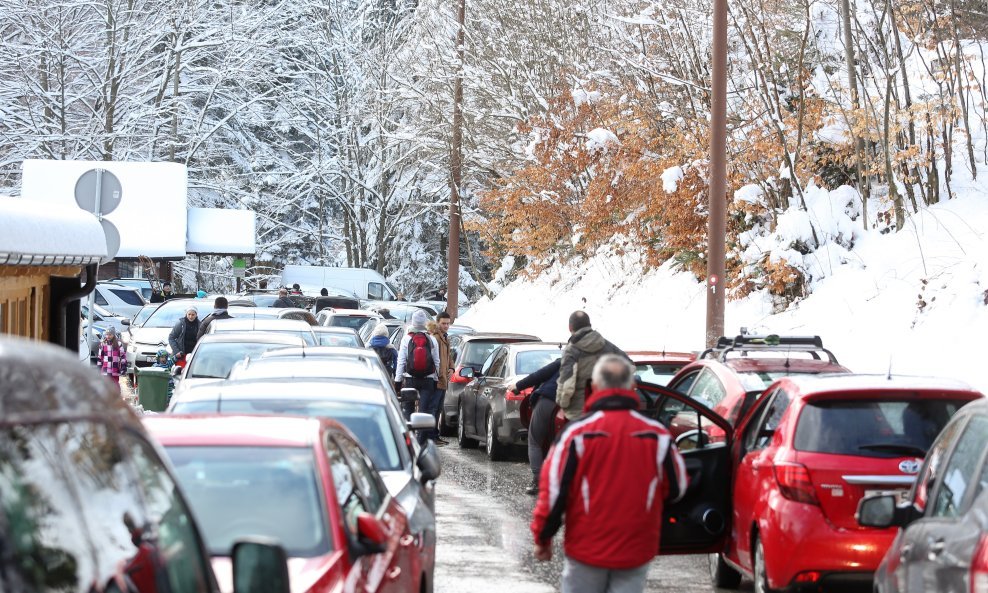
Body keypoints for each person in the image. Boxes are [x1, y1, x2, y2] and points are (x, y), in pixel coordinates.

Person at [531, 355, 688, 593]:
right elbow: (678, 488)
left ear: (594, 387)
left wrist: (543, 537)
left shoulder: (576, 436)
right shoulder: (658, 436)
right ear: (633, 387)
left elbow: (553, 492)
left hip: (586, 548)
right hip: (636, 548)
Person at [557, 311, 627, 420]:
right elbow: (630, 367)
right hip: (606, 410)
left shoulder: (571, 350)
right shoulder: (608, 346)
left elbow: (567, 386)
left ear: (570, 327)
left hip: (579, 414)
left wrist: (562, 405)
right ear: (589, 325)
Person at [512, 357, 561, 495]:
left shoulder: (563, 361)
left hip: (550, 399)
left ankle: (538, 481)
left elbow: (538, 375)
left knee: (535, 440)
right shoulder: (596, 363)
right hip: (578, 406)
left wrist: (518, 386)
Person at [395, 309, 441, 444]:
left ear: (413, 322)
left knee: (407, 408)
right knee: (423, 411)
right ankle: (421, 442)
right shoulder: (431, 339)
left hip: (410, 378)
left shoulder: (406, 338)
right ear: (425, 323)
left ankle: (408, 440)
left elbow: (401, 361)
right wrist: (436, 378)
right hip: (427, 379)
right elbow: (436, 361)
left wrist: (398, 381)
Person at [429, 312, 454, 446]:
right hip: (436, 379)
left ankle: (435, 434)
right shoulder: (435, 338)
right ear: (438, 322)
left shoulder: (445, 338)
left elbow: (449, 357)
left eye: (448, 323)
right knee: (433, 409)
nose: (446, 326)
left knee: (438, 409)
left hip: (443, 378)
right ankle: (431, 436)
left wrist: (452, 368)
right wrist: (439, 374)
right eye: (443, 323)